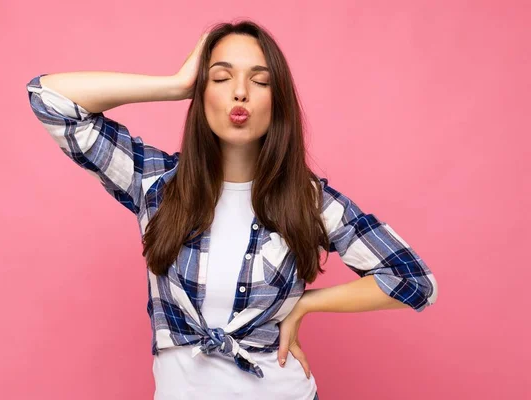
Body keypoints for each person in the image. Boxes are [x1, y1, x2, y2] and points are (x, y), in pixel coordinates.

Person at [26, 20, 437, 400]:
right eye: (221, 78)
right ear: (202, 92)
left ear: (278, 103)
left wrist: (307, 303)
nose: (240, 91)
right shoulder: (155, 183)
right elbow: (50, 99)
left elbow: (415, 281)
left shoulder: (308, 200)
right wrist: (174, 84)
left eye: (259, 81)